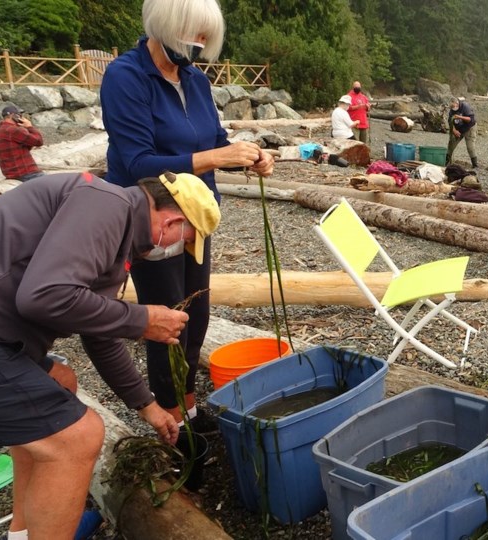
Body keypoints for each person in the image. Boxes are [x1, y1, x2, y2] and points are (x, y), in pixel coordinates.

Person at [0, 170, 220, 539]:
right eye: (185, 241)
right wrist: (141, 319)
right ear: (173, 220)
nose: (175, 250)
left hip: (3, 338)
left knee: (60, 381)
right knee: (77, 437)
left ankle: (25, 531)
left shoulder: (117, 231)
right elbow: (44, 296)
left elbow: (100, 333)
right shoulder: (106, 203)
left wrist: (147, 406)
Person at [100, 0, 274, 428]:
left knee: (196, 316)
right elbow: (139, 161)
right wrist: (218, 155)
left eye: (204, 38)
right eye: (192, 35)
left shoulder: (195, 79)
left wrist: (249, 158)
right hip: (153, 219)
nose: (198, 46)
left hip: (196, 215)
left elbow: (214, 138)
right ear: (164, 25)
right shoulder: (126, 77)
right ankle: (174, 426)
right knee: (167, 323)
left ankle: (189, 409)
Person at [0, 105, 44, 181]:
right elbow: (38, 141)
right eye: (19, 115)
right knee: (56, 186)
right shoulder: (13, 130)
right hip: (27, 173)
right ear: (12, 115)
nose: (21, 117)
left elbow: (23, 147)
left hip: (11, 174)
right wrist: (29, 127)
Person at [446, 96, 479, 169]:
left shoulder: (465, 106)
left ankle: (475, 164)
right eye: (452, 107)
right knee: (451, 144)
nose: (453, 108)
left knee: (470, 146)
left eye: (454, 106)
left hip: (470, 128)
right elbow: (450, 121)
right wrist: (454, 130)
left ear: (457, 103)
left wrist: (460, 117)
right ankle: (447, 161)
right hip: (459, 129)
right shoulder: (451, 111)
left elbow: (470, 119)